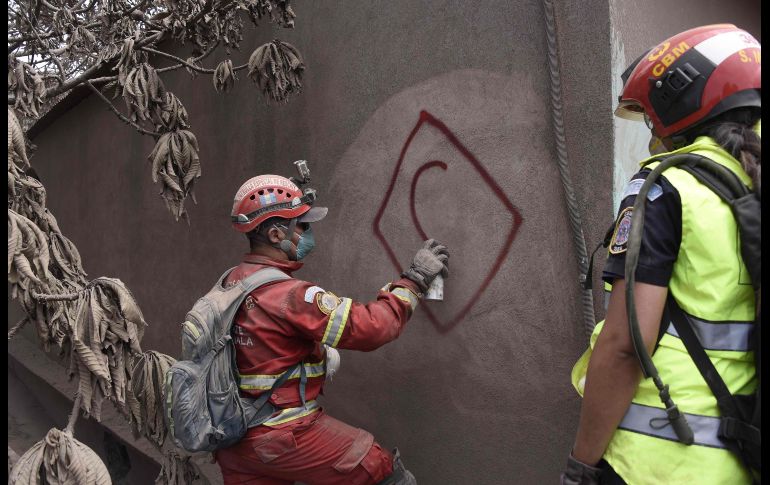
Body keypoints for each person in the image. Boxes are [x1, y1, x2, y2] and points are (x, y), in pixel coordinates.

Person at [561, 24, 760, 485]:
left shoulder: (668, 187)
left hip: (655, 463)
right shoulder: (749, 181)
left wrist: (581, 465)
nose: (653, 132)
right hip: (738, 462)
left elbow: (627, 345)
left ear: (682, 98)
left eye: (651, 117)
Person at [213, 171, 449, 485]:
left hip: (234, 441)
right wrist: (415, 279)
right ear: (274, 236)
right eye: (303, 225)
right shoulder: (290, 295)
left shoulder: (230, 282)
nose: (309, 234)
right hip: (280, 435)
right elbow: (371, 328)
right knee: (377, 467)